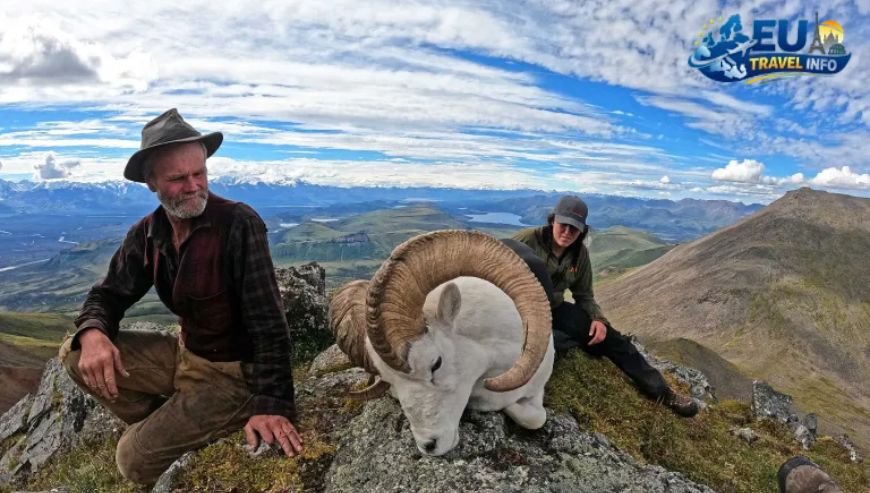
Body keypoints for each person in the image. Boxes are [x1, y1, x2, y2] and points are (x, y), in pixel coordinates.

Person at [59, 108, 304, 486]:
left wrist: (273, 405)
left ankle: (209, 417)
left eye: (200, 173)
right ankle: (171, 420)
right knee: (75, 354)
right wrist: (93, 332)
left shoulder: (239, 224)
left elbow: (269, 322)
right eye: (177, 178)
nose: (193, 186)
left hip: (232, 374)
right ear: (151, 183)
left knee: (132, 461)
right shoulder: (148, 233)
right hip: (183, 355)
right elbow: (106, 295)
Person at [511, 195, 698, 417]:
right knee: (544, 342)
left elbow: (584, 295)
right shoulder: (525, 241)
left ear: (582, 231)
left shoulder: (579, 254)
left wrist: (599, 320)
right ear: (553, 221)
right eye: (564, 225)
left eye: (575, 229)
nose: (567, 233)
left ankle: (662, 392)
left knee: (613, 340)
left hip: (554, 308)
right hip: (518, 309)